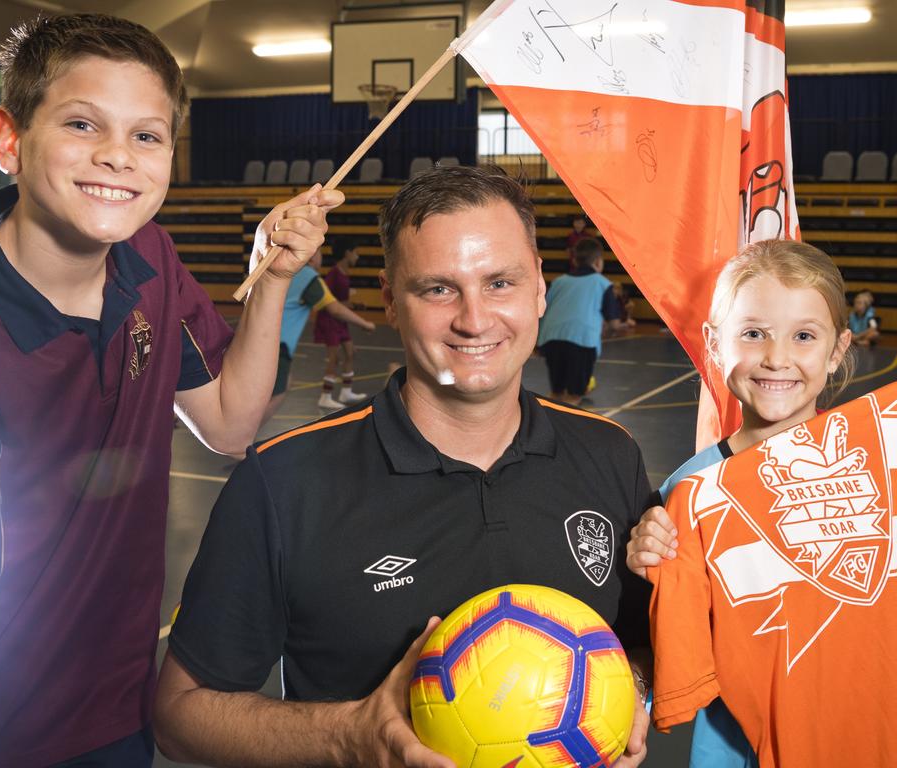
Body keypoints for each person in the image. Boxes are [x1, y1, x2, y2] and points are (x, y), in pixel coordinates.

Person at [153, 165, 654, 767]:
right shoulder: (286, 481)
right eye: (439, 289)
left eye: (500, 283)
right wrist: (348, 735)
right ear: (391, 300)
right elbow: (179, 715)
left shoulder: (611, 453)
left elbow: (643, 645)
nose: (474, 319)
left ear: (539, 290)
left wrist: (633, 696)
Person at [0, 14, 341, 767]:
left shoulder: (151, 262)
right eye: (80, 123)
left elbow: (228, 426)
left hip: (118, 710)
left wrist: (273, 278)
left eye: (146, 136)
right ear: (8, 140)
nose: (115, 157)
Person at [625, 240, 897, 768]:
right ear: (714, 344)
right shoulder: (688, 498)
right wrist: (649, 569)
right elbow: (662, 659)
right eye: (753, 333)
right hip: (751, 751)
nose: (777, 358)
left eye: (804, 336)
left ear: (838, 349)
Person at [262, 247, 375, 425]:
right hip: (276, 344)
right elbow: (335, 308)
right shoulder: (308, 277)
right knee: (277, 392)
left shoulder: (282, 271)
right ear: (312, 255)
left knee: (281, 383)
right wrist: (365, 323)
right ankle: (243, 440)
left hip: (258, 341)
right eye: (320, 252)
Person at [537, 237, 629, 405]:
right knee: (574, 396)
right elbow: (614, 324)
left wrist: (538, 344)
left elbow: (543, 311)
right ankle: (566, 428)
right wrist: (620, 327)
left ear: (574, 259)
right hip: (581, 342)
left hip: (551, 340)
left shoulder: (558, 282)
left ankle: (549, 426)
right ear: (598, 261)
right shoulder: (603, 284)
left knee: (556, 392)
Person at [315, 238, 373, 409]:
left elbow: (342, 301)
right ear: (347, 253)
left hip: (340, 321)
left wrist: (354, 305)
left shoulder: (344, 273)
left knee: (349, 353)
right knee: (335, 358)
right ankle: (325, 396)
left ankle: (345, 392)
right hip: (329, 321)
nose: (357, 257)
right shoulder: (334, 274)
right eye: (355, 253)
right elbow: (330, 302)